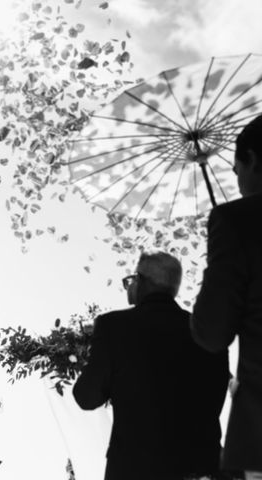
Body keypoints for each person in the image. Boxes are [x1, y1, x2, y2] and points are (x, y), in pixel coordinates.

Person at [73, 252, 229, 480]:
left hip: (136, 469)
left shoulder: (114, 327)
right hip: (200, 468)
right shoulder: (208, 334)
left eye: (133, 279)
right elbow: (215, 401)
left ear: (143, 282)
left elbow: (86, 397)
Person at [192, 114, 262, 479]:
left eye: (236, 171)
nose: (237, 183)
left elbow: (211, 332)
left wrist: (218, 262)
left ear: (251, 159)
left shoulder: (236, 221)